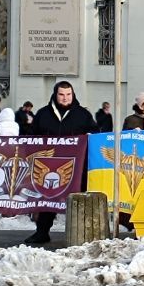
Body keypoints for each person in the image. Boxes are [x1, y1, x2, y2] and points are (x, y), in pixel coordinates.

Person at [26, 81, 96, 244]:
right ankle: (42, 231)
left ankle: (82, 232)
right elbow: (31, 137)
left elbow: (94, 134)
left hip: (77, 166)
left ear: (73, 95)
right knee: (47, 198)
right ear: (55, 95)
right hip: (49, 166)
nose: (65, 98)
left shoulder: (83, 114)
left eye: (68, 94)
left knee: (79, 198)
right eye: (61, 94)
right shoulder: (43, 114)